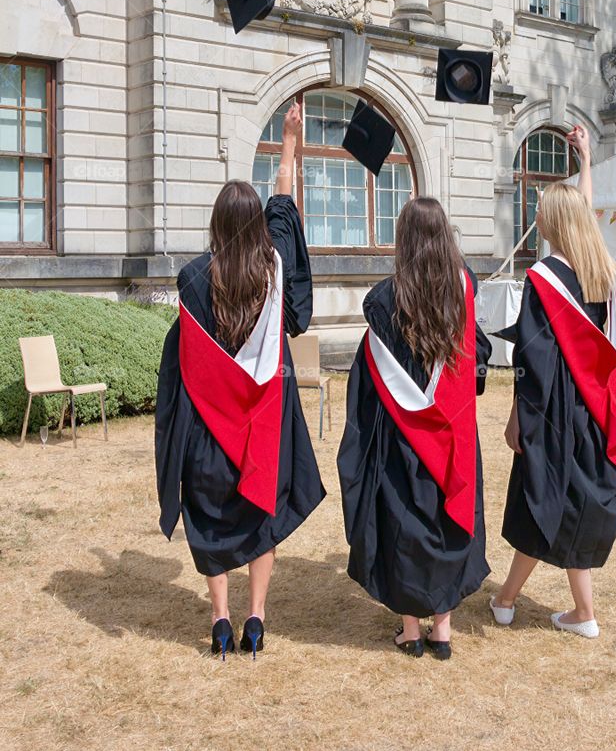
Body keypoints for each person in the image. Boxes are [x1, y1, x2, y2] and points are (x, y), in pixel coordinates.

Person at [155, 102, 325, 658]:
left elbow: (180, 361)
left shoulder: (193, 278)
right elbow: (283, 210)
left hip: (209, 428)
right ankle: (257, 619)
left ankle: (221, 621)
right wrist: (288, 145)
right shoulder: (272, 268)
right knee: (260, 514)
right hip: (263, 423)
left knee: (212, 516)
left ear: (215, 225)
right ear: (255, 226)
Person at [491, 125, 616, 638]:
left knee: (543, 498)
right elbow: (584, 218)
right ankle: (556, 608)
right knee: (565, 502)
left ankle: (528, 604)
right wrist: (586, 160)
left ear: (552, 222)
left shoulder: (543, 281)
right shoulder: (599, 273)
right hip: (593, 410)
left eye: (540, 208)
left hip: (554, 411)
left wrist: (516, 420)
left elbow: (532, 362)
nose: (534, 213)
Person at [337, 197, 492, 659]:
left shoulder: (382, 300)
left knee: (403, 522)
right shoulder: (465, 286)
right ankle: (442, 629)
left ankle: (410, 629)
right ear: (446, 237)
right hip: (452, 432)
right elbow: (477, 357)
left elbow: (367, 375)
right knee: (448, 516)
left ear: (402, 240)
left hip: (400, 438)